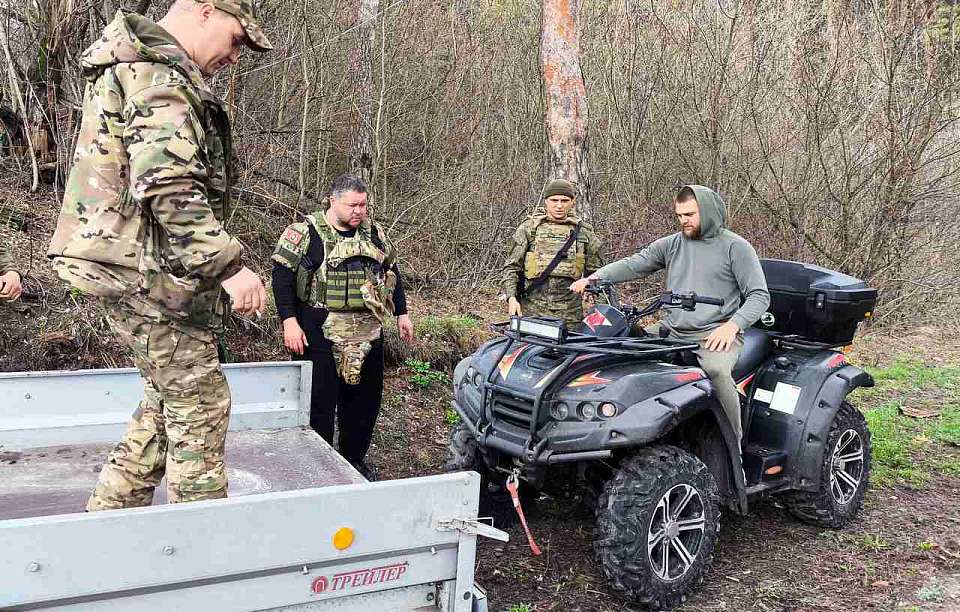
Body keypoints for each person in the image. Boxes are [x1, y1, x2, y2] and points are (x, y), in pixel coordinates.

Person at [47, 0, 273, 510]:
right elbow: (168, 185)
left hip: (134, 267)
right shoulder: (158, 76)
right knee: (200, 404)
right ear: (205, 10)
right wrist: (230, 268)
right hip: (142, 272)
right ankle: (194, 559)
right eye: (236, 39)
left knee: (162, 406)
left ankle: (105, 528)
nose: (235, 55)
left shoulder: (141, 67)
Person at [571, 185, 769, 445]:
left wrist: (732, 326)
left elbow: (759, 296)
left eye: (690, 214)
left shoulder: (735, 247)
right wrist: (596, 277)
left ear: (708, 212)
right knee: (623, 346)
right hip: (673, 329)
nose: (683, 221)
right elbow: (635, 263)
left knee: (717, 370)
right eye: (679, 215)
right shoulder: (673, 244)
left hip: (714, 334)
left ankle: (733, 445)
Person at [271, 174, 414, 478]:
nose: (359, 211)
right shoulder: (305, 233)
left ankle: (352, 461)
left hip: (368, 330)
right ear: (332, 200)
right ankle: (317, 466)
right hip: (318, 329)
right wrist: (289, 322)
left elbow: (391, 271)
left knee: (364, 403)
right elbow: (281, 278)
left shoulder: (373, 233)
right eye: (352, 205)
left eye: (363, 205)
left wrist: (402, 312)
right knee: (318, 404)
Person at [501, 179, 603, 326]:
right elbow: (511, 268)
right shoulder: (529, 229)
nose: (559, 205)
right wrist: (511, 298)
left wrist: (598, 311)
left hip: (570, 316)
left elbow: (598, 276)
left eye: (564, 200)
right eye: (554, 200)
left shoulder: (584, 233)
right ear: (546, 201)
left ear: (572, 202)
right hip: (531, 312)